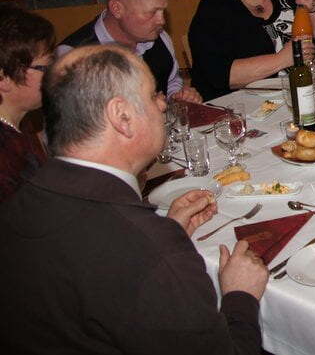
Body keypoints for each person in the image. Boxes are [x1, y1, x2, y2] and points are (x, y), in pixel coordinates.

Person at [0, 45, 268, 353]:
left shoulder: (22, 201)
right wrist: (240, 295)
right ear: (122, 117)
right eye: (153, 95)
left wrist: (166, 231)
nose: (163, 104)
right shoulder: (154, 253)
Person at [57, 0, 202, 103]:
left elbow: (171, 82)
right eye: (151, 12)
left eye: (163, 11)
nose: (161, 20)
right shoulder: (72, 57)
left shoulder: (160, 38)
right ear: (117, 9)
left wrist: (178, 96)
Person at [0, 5, 55, 202]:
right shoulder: (5, 152)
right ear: (3, 78)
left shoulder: (24, 126)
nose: (54, 74)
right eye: (45, 67)